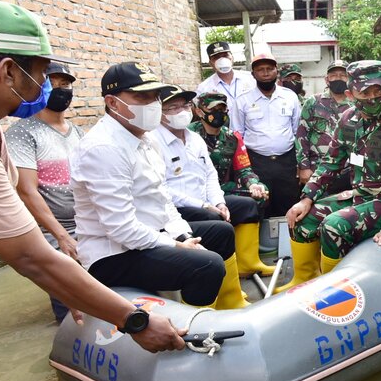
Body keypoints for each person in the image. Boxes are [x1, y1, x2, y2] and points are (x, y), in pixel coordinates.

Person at [0, 0, 185, 352]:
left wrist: (63, 281)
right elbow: (29, 256)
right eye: (43, 73)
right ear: (9, 71)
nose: (47, 85)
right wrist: (135, 320)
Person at [70, 62, 245, 310]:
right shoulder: (104, 148)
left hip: (150, 234)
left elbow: (163, 201)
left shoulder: (145, 138)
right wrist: (176, 245)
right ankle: (196, 330)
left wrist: (184, 236)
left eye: (154, 96)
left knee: (221, 232)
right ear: (112, 103)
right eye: (141, 96)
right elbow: (121, 229)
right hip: (113, 254)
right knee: (207, 265)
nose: (153, 103)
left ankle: (230, 305)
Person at [282, 60, 381, 290]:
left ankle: (334, 291)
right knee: (301, 219)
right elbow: (330, 164)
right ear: (350, 93)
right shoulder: (348, 120)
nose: (373, 97)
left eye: (379, 90)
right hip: (361, 195)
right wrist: (306, 199)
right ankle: (304, 284)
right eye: (365, 92)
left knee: (334, 225)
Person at [152, 85, 273, 279]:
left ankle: (248, 264)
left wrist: (219, 202)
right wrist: (205, 205)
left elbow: (210, 175)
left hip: (209, 197)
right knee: (217, 223)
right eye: (173, 107)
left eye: (184, 106)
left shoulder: (198, 139)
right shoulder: (153, 142)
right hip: (179, 206)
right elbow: (162, 189)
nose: (181, 112)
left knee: (248, 205)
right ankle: (222, 278)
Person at [5, 62, 83, 323]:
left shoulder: (79, 133)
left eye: (66, 84)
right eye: (53, 83)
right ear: (39, 87)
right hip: (51, 231)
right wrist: (61, 236)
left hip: (85, 225)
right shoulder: (22, 132)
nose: (61, 90)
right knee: (71, 304)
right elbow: (26, 191)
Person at [236, 52, 301, 218]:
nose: (265, 73)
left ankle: (289, 242)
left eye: (270, 69)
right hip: (257, 162)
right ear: (253, 74)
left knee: (289, 204)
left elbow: (297, 131)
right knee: (260, 204)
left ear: (276, 71)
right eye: (260, 69)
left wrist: (301, 163)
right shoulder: (243, 100)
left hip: (286, 162)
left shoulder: (290, 96)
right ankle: (264, 243)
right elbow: (238, 135)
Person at [190, 92, 269, 200]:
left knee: (261, 192)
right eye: (213, 109)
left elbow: (244, 169)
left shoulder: (233, 137)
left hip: (222, 188)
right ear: (199, 112)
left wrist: (252, 184)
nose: (218, 113)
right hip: (194, 189)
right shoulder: (188, 134)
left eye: (222, 109)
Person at [296, 59, 353, 193]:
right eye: (334, 75)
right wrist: (304, 166)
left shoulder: (357, 103)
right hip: (317, 170)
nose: (338, 78)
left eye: (343, 75)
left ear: (349, 78)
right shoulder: (313, 102)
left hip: (349, 170)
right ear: (327, 80)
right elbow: (302, 134)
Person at [196, 41, 254, 132]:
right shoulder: (204, 88)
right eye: (216, 57)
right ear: (210, 63)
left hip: (253, 135)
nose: (222, 60)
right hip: (225, 139)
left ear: (232, 58)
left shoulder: (250, 79)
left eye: (225, 55)